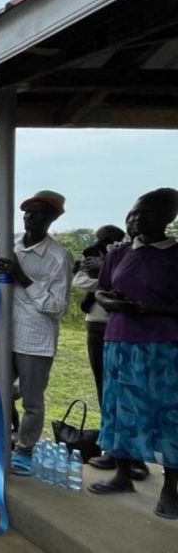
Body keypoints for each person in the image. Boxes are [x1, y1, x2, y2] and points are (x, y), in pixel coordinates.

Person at [89, 187, 178, 520]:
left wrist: (152, 310)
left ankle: (171, 488)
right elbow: (101, 290)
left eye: (146, 212)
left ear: (169, 217)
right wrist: (111, 303)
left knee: (167, 414)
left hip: (162, 345)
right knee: (118, 408)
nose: (137, 219)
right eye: (134, 212)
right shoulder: (119, 254)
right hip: (119, 340)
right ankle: (123, 474)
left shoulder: (173, 255)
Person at [0, 190, 73, 475]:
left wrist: (22, 276)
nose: (31, 217)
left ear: (53, 218)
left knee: (32, 400)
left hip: (35, 339)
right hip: (3, 335)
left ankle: (25, 450)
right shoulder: (12, 244)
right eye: (28, 212)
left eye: (39, 212)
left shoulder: (58, 256)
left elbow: (56, 306)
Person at [74, 225, 145, 474]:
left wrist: (105, 270)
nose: (106, 242)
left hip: (129, 328)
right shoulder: (101, 256)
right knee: (106, 390)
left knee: (132, 392)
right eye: (103, 239)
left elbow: (128, 285)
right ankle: (112, 449)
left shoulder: (130, 255)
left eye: (111, 239)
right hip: (97, 326)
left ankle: (136, 457)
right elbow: (79, 279)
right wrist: (102, 274)